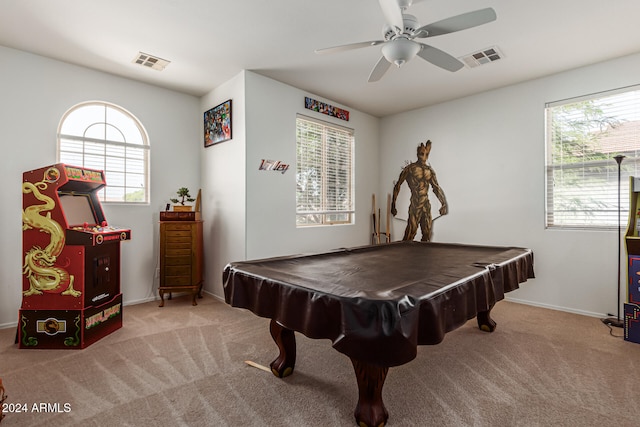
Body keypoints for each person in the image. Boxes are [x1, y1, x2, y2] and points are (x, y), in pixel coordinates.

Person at [391, 140, 448, 241]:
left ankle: (424, 256)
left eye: (426, 154)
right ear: (417, 154)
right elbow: (398, 185)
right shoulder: (410, 169)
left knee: (427, 233)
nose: (424, 157)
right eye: (422, 154)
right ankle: (404, 255)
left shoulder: (429, 171)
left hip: (426, 204)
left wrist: (443, 203)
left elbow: (436, 188)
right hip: (415, 203)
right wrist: (393, 204)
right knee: (410, 233)